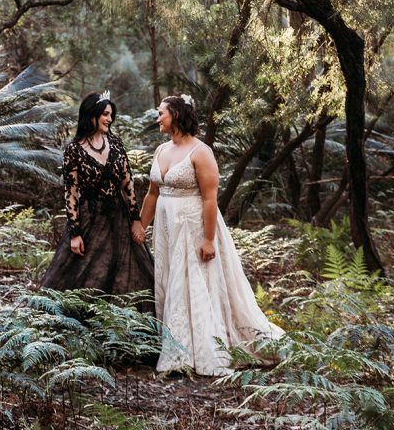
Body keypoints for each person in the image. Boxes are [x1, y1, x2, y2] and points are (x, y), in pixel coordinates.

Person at [137, 94, 284, 375]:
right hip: (167, 229)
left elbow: (209, 199)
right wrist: (141, 226)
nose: (158, 118)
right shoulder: (160, 151)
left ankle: (196, 352)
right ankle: (176, 344)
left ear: (176, 115)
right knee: (171, 279)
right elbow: (152, 194)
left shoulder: (201, 152)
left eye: (161, 113)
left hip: (193, 227)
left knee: (194, 281)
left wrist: (208, 239)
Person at [41, 91, 155, 311]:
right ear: (91, 115)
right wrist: (74, 233)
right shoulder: (73, 150)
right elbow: (71, 192)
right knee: (87, 272)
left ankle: (122, 324)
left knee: (127, 271)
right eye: (105, 114)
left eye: (111, 115)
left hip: (119, 218)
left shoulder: (116, 144)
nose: (109, 119)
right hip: (90, 219)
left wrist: (135, 220)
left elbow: (127, 184)